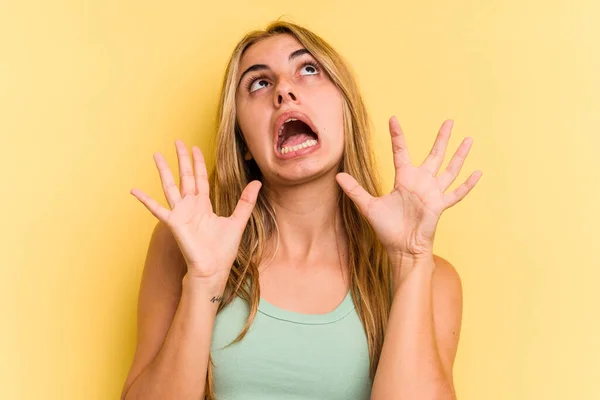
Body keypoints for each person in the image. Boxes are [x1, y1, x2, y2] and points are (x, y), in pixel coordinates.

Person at [121, 20, 482, 400]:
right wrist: (204, 282)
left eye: (309, 69)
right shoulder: (183, 247)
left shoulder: (431, 277)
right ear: (243, 140)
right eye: (259, 83)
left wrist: (410, 261)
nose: (284, 91)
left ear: (346, 111)